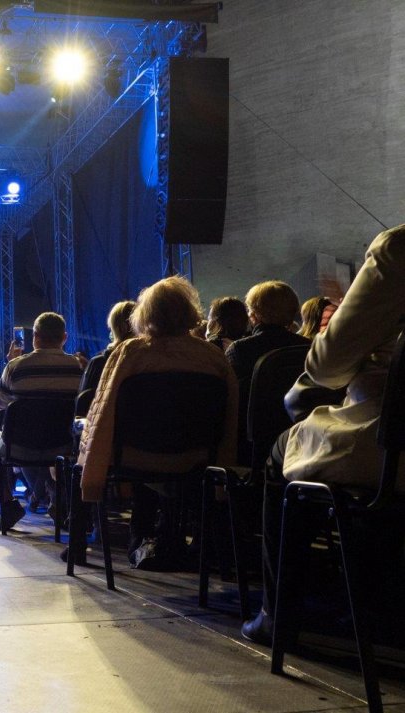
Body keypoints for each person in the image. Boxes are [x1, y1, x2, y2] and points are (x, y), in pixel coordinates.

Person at [241, 225, 405, 645]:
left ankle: (280, 613)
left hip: (388, 444)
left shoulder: (397, 248)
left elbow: (326, 367)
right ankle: (374, 601)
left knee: (284, 450)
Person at [78, 276, 238, 568]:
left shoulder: (128, 353)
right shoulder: (213, 357)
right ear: (190, 311)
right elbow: (230, 414)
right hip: (197, 457)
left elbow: (103, 409)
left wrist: (91, 466)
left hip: (134, 455)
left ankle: (85, 545)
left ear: (146, 314)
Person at [0, 312, 84, 530]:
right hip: (61, 446)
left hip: (19, 446)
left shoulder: (16, 366)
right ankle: (58, 501)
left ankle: (8, 505)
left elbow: (1, 402)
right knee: (54, 455)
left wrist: (10, 363)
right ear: (64, 337)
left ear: (34, 336)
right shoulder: (78, 368)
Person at [225, 281, 310, 465]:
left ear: (254, 314)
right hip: (302, 441)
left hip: (254, 448)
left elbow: (233, 402)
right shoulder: (309, 347)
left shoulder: (240, 350)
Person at [79, 300, 136, 396]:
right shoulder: (153, 362)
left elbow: (84, 400)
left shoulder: (99, 363)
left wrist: (90, 369)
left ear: (115, 328)